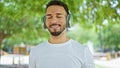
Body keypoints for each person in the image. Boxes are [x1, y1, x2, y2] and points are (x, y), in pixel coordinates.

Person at [29, 0, 95, 68]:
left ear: (68, 20)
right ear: (44, 21)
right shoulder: (35, 52)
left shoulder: (83, 52)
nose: (53, 21)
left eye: (59, 16)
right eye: (49, 17)